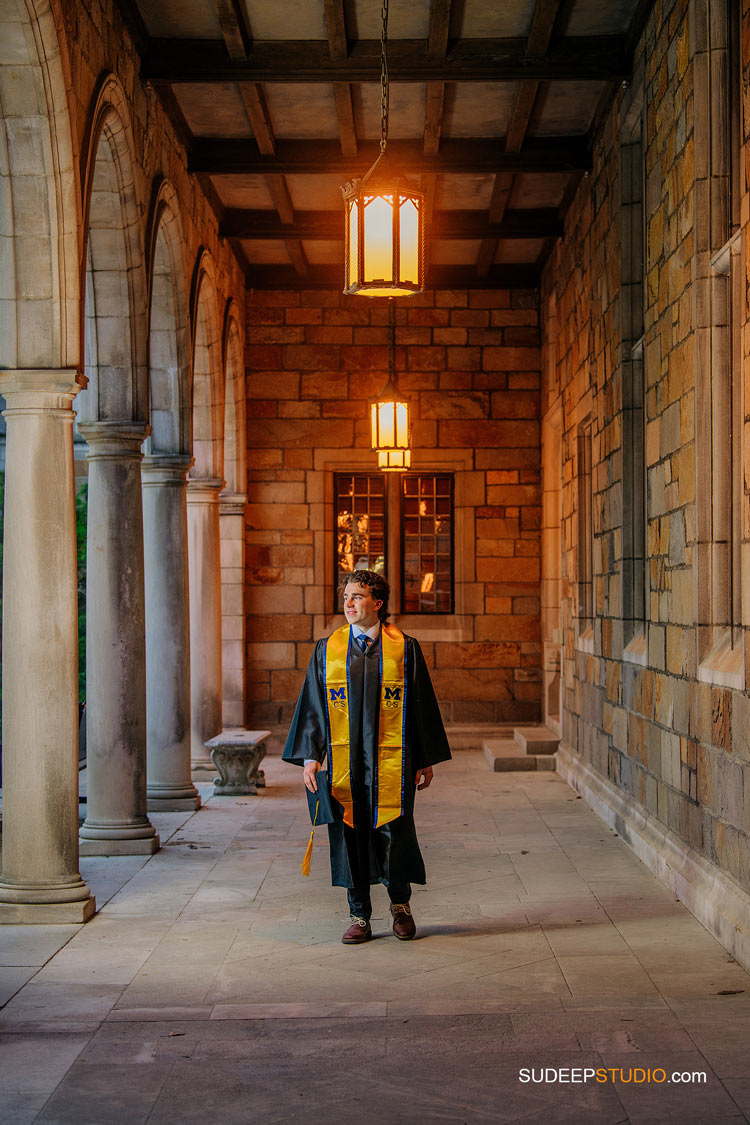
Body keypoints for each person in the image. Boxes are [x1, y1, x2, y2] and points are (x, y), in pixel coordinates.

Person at [283, 569, 451, 945]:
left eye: (356, 596)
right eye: (345, 597)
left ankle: (400, 907)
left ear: (378, 603)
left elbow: (421, 705)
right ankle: (359, 914)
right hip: (347, 765)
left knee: (394, 830)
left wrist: (424, 757)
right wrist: (311, 755)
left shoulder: (405, 648)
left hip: (393, 764)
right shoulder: (328, 650)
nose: (348, 603)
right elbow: (313, 705)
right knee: (349, 832)